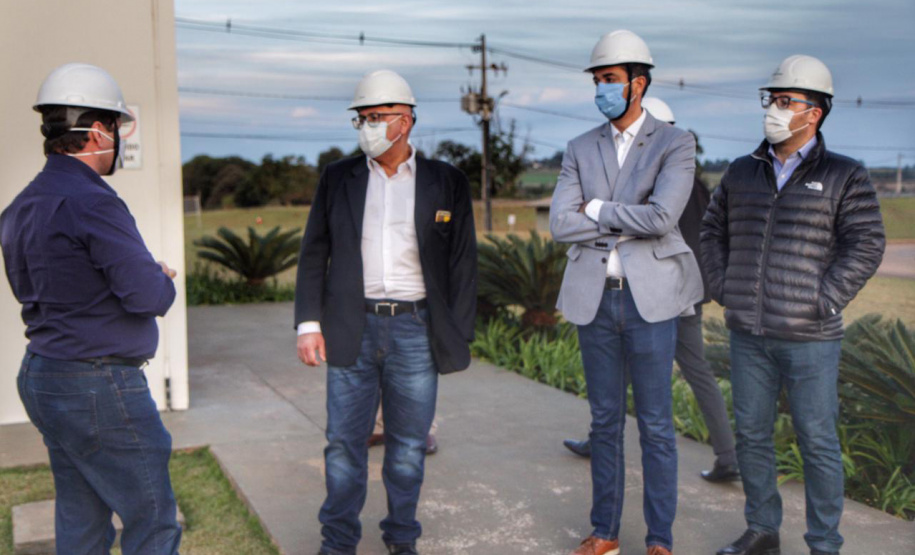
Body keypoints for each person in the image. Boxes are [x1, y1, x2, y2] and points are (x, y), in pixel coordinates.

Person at [701, 55, 885, 555]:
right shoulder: (742, 172)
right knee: (753, 436)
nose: (774, 110)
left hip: (811, 339)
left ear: (814, 113)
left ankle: (824, 543)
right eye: (772, 100)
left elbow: (866, 244)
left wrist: (823, 301)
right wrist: (723, 286)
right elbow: (712, 232)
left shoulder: (845, 175)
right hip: (749, 335)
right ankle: (762, 530)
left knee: (818, 443)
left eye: (786, 101)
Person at [294, 69, 477, 555]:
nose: (368, 126)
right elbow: (315, 251)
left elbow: (463, 261)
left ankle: (401, 538)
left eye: (379, 117)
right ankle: (337, 542)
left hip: (416, 331)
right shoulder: (339, 177)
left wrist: (456, 332)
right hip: (350, 326)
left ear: (407, 121)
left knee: (408, 451)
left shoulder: (446, 181)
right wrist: (308, 324)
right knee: (342, 446)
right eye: (363, 118)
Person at [1, 63, 181, 554]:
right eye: (118, 128)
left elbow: (42, 287)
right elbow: (147, 296)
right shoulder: (95, 202)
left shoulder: (21, 205)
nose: (119, 139)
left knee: (81, 519)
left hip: (45, 375)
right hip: (98, 386)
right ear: (98, 131)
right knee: (154, 521)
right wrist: (158, 277)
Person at [550, 31, 702, 555]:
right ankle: (605, 533)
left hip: (650, 301)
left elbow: (663, 217)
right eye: (597, 80)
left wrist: (595, 209)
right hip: (596, 298)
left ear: (638, 83)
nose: (601, 89)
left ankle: (660, 539)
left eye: (610, 80)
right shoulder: (579, 147)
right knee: (604, 421)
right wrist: (617, 218)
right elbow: (558, 224)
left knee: (657, 425)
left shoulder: (675, 143)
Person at [562, 98, 740, 483]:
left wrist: (595, 211)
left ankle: (727, 454)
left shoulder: (661, 185)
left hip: (669, 292)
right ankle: (728, 455)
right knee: (689, 371)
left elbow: (652, 226)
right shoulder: (696, 186)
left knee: (648, 371)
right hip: (682, 290)